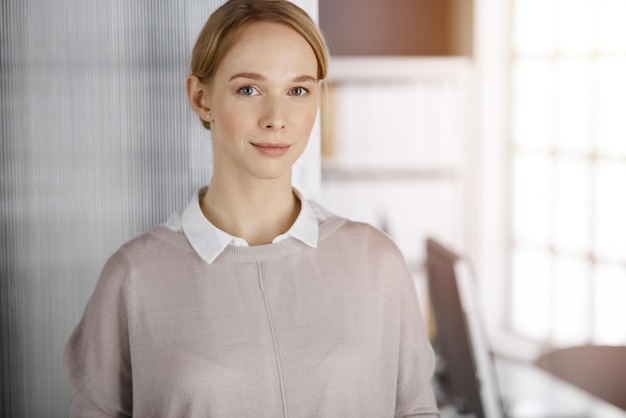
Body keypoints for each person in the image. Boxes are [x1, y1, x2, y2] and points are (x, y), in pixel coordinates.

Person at [64, 0, 439, 416]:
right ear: (200, 98)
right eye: (249, 89)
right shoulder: (133, 278)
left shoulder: (377, 264)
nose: (276, 117)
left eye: (298, 90)